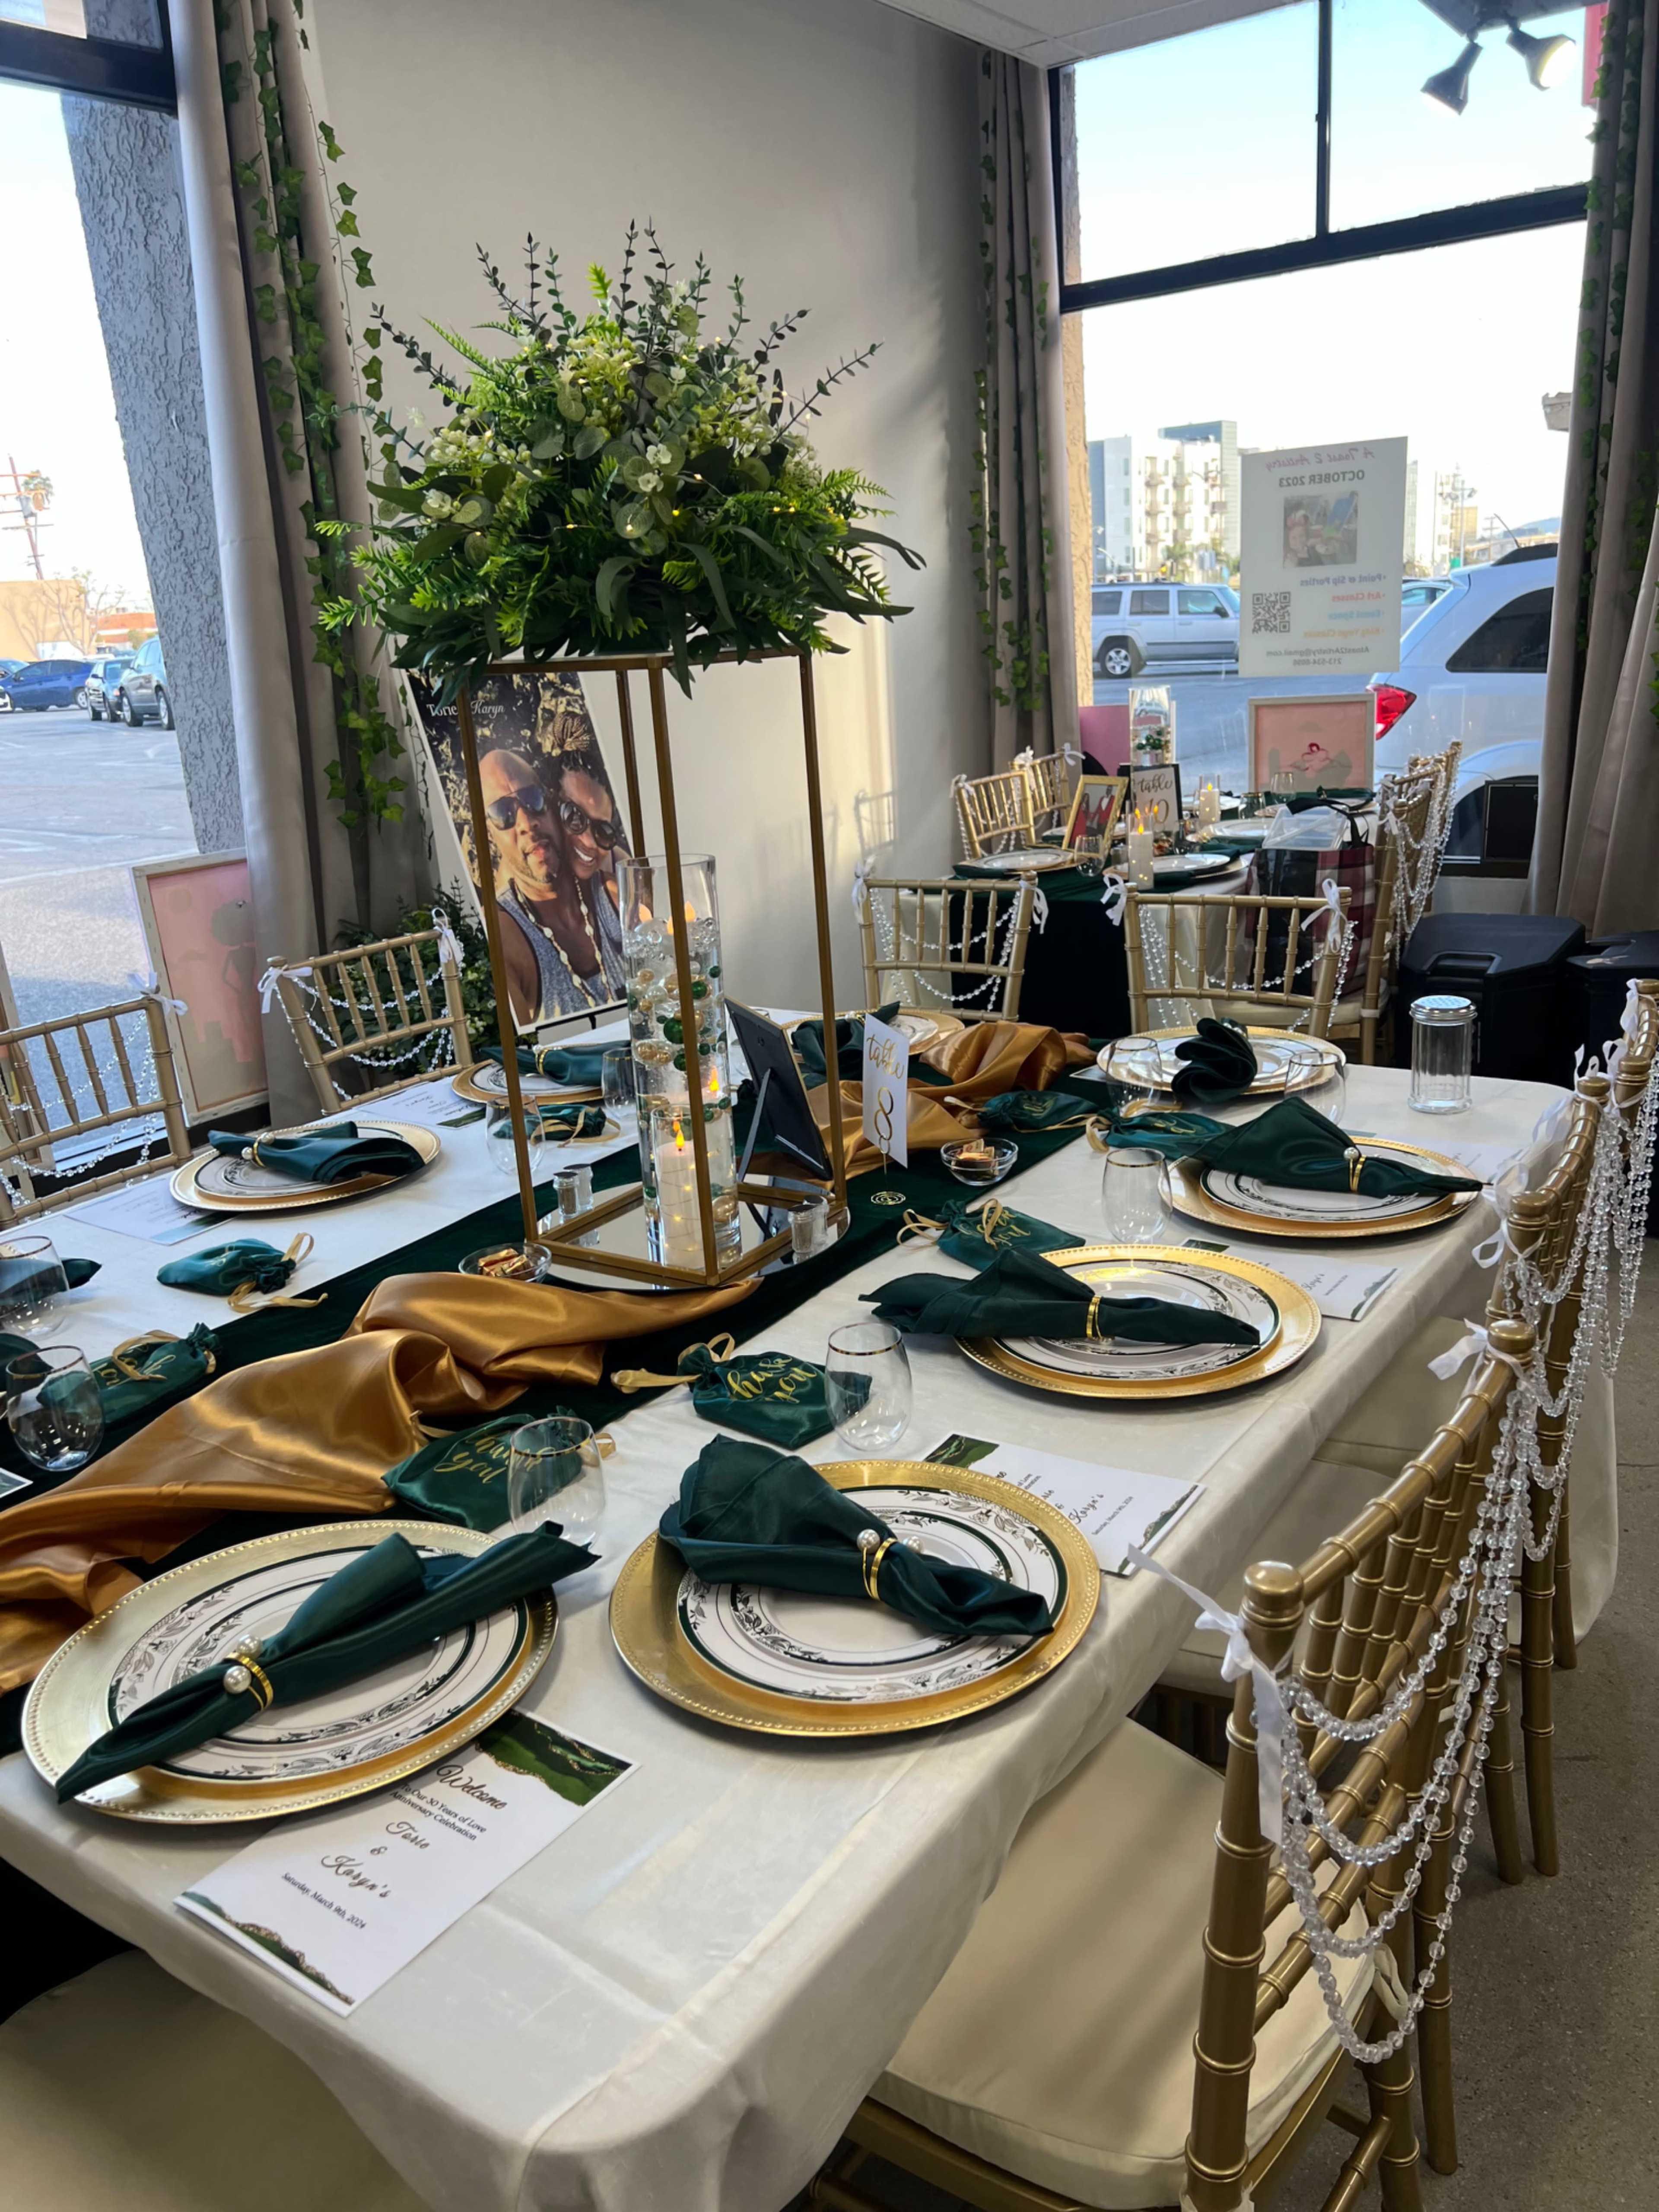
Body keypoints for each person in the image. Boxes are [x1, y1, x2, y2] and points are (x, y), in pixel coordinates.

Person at [477, 748, 617, 1024]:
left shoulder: (614, 893)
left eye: (533, 799)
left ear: (552, 804)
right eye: (503, 813)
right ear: (490, 835)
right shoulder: (503, 935)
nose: (526, 823)